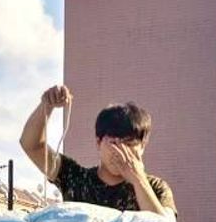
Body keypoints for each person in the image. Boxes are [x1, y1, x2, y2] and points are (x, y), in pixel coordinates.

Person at [19, 84, 177, 215]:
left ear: (142, 147)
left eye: (129, 143)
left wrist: (138, 179)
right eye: (113, 142)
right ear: (98, 142)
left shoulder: (156, 188)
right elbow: (31, 145)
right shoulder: (76, 178)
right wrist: (46, 106)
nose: (120, 151)